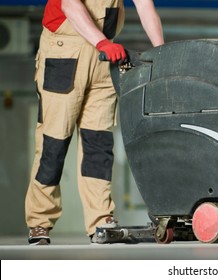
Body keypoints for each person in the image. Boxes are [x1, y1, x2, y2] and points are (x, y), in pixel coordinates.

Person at [25, 0, 164, 245]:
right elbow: (69, 5)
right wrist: (101, 42)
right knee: (53, 143)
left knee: (98, 144)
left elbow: (144, 6)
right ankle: (39, 221)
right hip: (65, 51)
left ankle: (101, 220)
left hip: (104, 56)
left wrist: (163, 54)